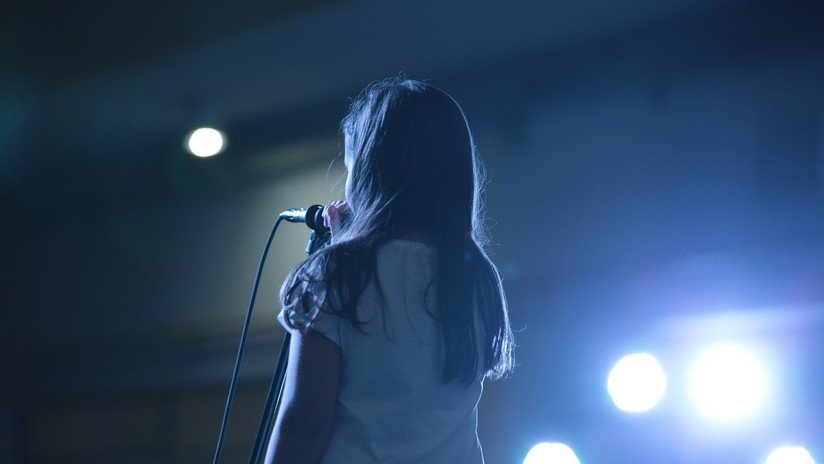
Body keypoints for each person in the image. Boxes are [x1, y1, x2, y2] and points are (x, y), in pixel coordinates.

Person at [265, 78, 514, 464]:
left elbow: (305, 424)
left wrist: (336, 256)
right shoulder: (477, 276)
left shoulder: (333, 274)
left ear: (368, 170)